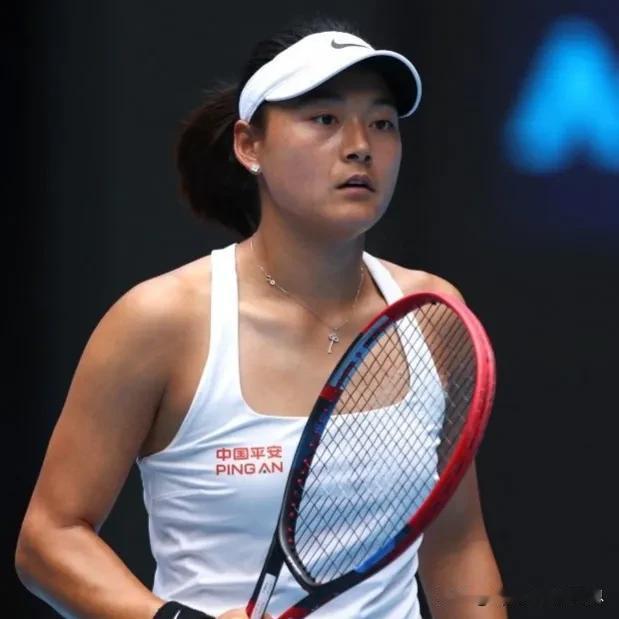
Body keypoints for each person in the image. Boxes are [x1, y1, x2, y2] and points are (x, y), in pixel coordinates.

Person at [15, 16, 506, 619]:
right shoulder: (160, 321)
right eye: (324, 119)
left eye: (382, 123)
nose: (360, 145)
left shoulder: (431, 315)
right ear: (250, 145)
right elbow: (49, 539)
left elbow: (457, 547)